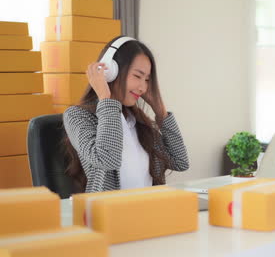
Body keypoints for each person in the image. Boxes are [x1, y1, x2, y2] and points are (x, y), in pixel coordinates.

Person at [62, 35, 189, 193]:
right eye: (137, 76)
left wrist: (160, 111)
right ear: (111, 70)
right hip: (108, 212)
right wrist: (105, 97)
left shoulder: (136, 120)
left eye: (147, 80)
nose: (143, 87)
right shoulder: (77, 116)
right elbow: (107, 159)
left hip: (147, 208)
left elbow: (180, 162)